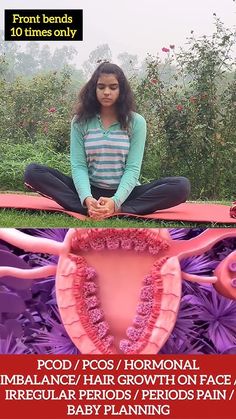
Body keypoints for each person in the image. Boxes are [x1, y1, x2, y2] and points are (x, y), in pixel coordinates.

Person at [24, 62, 190, 219]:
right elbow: (79, 166)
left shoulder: (136, 122)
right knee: (33, 172)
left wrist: (116, 201)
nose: (106, 92)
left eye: (113, 87)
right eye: (101, 87)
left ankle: (118, 209)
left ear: (121, 90)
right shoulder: (80, 121)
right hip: (88, 190)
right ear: (93, 89)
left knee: (181, 186)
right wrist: (87, 198)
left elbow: (132, 169)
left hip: (126, 194)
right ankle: (89, 207)